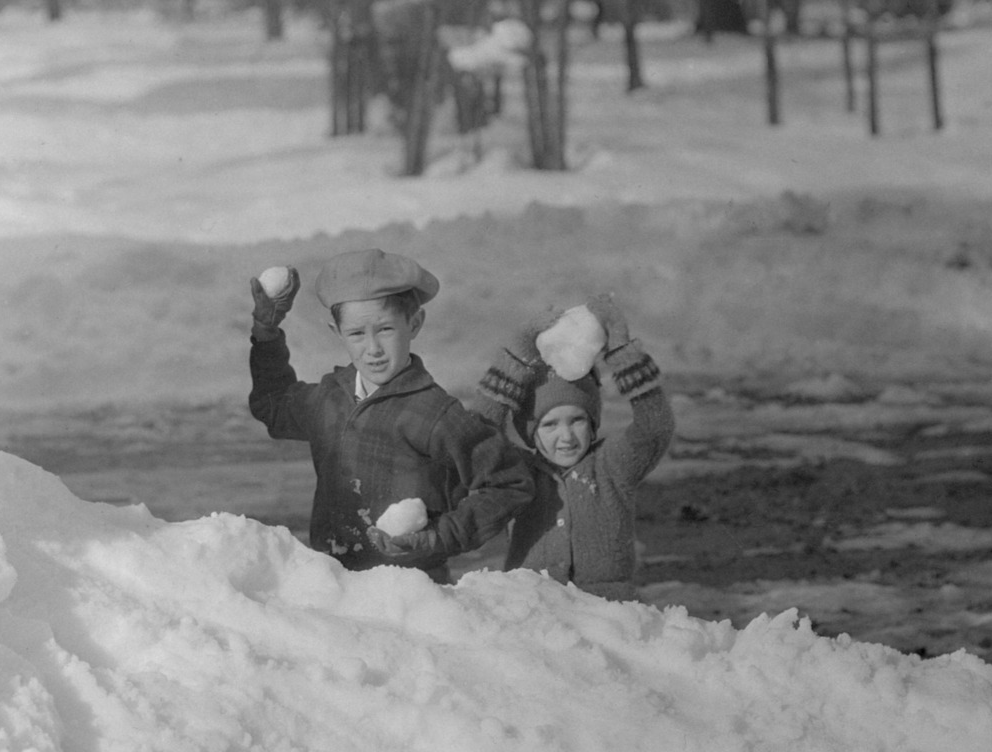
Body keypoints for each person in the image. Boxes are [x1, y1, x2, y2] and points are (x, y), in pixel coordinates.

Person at [248, 246, 534, 584]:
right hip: (335, 586)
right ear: (336, 332)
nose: (373, 350)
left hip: (414, 592)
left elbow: (510, 483)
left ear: (414, 323)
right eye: (356, 333)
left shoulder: (436, 413)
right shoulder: (330, 398)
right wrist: (266, 333)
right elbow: (274, 406)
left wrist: (439, 537)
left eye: (385, 329)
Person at [473, 294, 674, 594]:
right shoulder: (517, 472)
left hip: (609, 609)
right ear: (531, 432)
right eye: (550, 424)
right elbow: (476, 438)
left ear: (593, 422)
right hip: (533, 605)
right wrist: (518, 356)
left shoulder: (612, 465)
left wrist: (621, 351)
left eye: (577, 420)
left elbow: (654, 427)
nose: (566, 437)